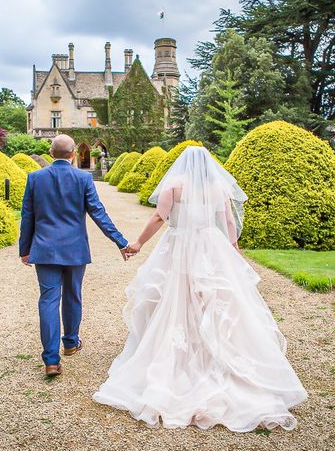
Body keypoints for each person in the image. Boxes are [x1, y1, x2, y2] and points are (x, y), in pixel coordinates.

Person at [93, 146, 308, 432]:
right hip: (210, 247)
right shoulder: (218, 186)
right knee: (214, 299)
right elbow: (229, 223)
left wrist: (138, 244)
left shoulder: (174, 185)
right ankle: (214, 352)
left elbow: (159, 218)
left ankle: (176, 356)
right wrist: (233, 252)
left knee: (175, 298)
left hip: (179, 245)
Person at [19, 134, 129, 377]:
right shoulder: (83, 178)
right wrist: (120, 242)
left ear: (50, 153)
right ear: (72, 155)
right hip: (75, 249)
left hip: (45, 249)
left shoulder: (35, 178)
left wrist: (25, 250)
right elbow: (98, 214)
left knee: (48, 300)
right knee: (73, 295)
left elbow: (27, 217)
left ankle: (50, 360)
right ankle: (70, 343)